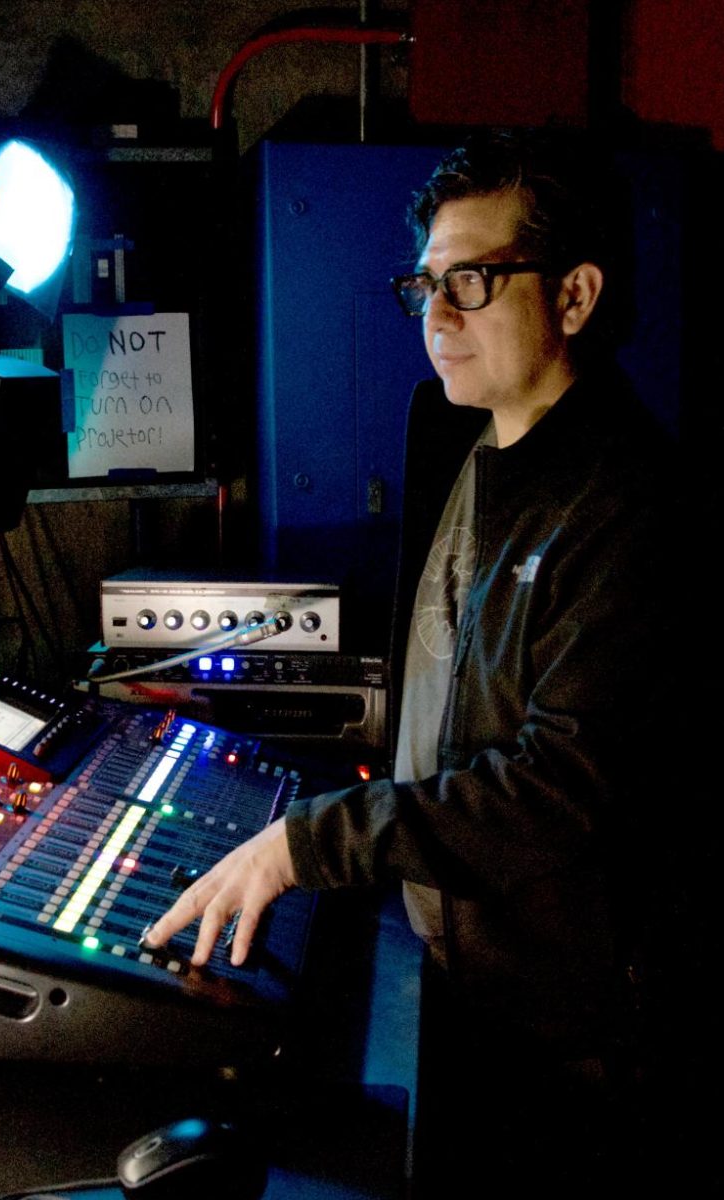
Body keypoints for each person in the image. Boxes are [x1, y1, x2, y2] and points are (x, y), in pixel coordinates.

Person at [146, 129, 682, 1196]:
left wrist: (309, 846)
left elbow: (553, 793)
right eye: (426, 285)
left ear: (572, 297)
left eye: (473, 282)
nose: (436, 318)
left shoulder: (632, 511)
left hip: (577, 1047)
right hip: (466, 984)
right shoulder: (467, 438)